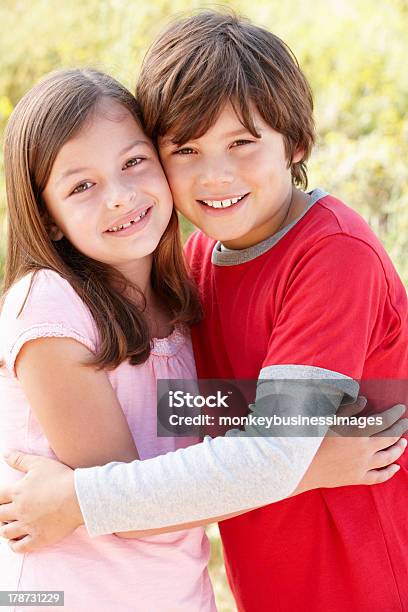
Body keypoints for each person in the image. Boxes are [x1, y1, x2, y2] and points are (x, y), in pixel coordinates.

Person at [1, 10, 408, 612]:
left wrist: (78, 500)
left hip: (360, 577)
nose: (215, 174)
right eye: (185, 149)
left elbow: (267, 449)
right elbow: (202, 411)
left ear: (295, 141)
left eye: (242, 143)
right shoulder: (192, 269)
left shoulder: (331, 256)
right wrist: (308, 452)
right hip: (261, 579)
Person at [0, 67, 217, 611]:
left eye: (133, 162)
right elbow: (129, 504)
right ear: (47, 218)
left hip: (176, 595)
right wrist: (304, 467)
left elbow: (215, 424)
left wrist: (334, 421)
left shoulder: (181, 302)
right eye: (82, 186)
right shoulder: (49, 301)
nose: (120, 196)